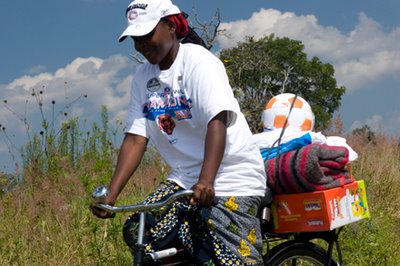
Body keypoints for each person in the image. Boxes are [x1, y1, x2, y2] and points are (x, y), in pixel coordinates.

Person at [91, 0, 267, 265]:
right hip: (184, 180)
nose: (141, 44)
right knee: (140, 231)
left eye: (147, 35)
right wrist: (111, 195)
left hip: (231, 177)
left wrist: (207, 180)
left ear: (171, 26)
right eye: (135, 39)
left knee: (229, 257)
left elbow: (216, 121)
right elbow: (136, 137)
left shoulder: (199, 62)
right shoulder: (142, 77)